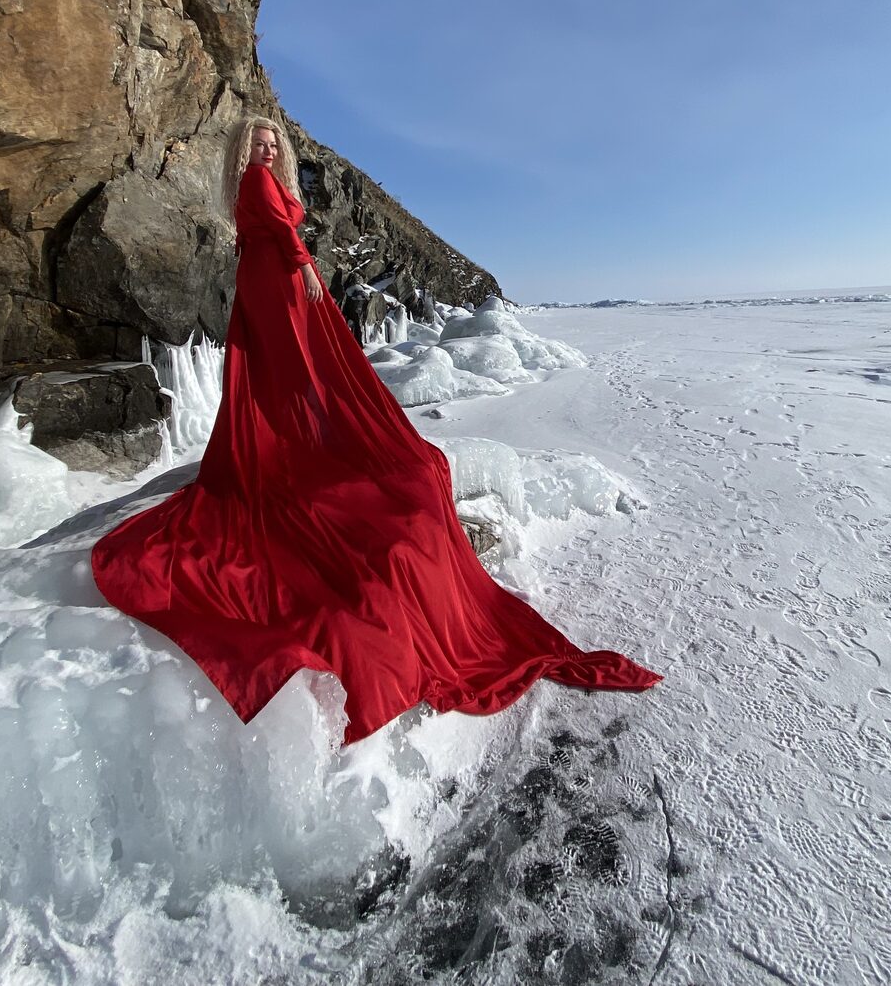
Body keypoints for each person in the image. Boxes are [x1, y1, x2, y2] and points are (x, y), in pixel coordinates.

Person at [90, 115, 660, 745]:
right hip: (276, 280)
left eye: (273, 142)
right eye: (258, 142)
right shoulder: (254, 181)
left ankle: (292, 442)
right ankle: (291, 448)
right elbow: (279, 228)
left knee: (294, 373)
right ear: (243, 150)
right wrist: (305, 267)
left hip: (272, 278)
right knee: (297, 369)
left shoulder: (263, 182)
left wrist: (295, 263)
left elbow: (275, 226)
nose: (267, 149)